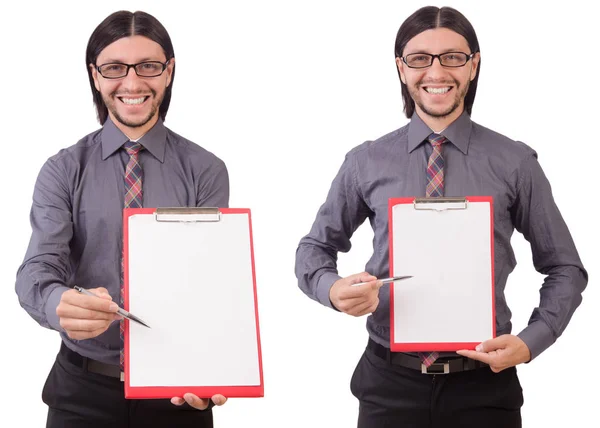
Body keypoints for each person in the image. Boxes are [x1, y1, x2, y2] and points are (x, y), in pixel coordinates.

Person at [294, 5, 587, 427]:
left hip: (485, 386)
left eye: (452, 57)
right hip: (387, 386)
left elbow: (565, 267)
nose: (436, 71)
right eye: (419, 59)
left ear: (473, 65)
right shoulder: (365, 162)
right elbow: (314, 249)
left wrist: (530, 341)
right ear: (401, 68)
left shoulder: (515, 162)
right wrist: (332, 288)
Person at [16, 10, 228, 428]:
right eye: (114, 68)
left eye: (148, 66)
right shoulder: (63, 170)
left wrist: (214, 368)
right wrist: (57, 303)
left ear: (168, 73)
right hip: (81, 390)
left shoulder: (206, 170)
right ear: (95, 76)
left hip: (177, 392)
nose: (132, 83)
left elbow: (208, 283)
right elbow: (39, 267)